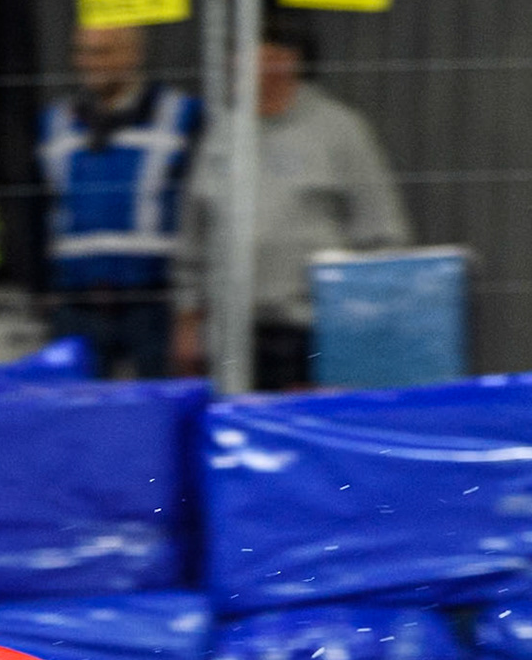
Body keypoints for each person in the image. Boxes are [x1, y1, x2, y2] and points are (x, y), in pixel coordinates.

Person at [173, 19, 410, 389]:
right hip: (232, 336)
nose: (237, 66)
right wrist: (188, 321)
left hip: (314, 334)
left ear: (284, 62)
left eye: (252, 55)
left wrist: (360, 338)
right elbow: (194, 239)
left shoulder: (340, 130)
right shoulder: (221, 136)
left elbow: (382, 234)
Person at [37, 25, 202, 379]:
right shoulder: (55, 122)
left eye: (104, 52)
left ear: (134, 55)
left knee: (155, 416)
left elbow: (198, 210)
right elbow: (40, 208)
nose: (89, 63)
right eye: (82, 52)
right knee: (79, 417)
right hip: (76, 300)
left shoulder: (182, 116)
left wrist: (190, 307)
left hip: (152, 301)